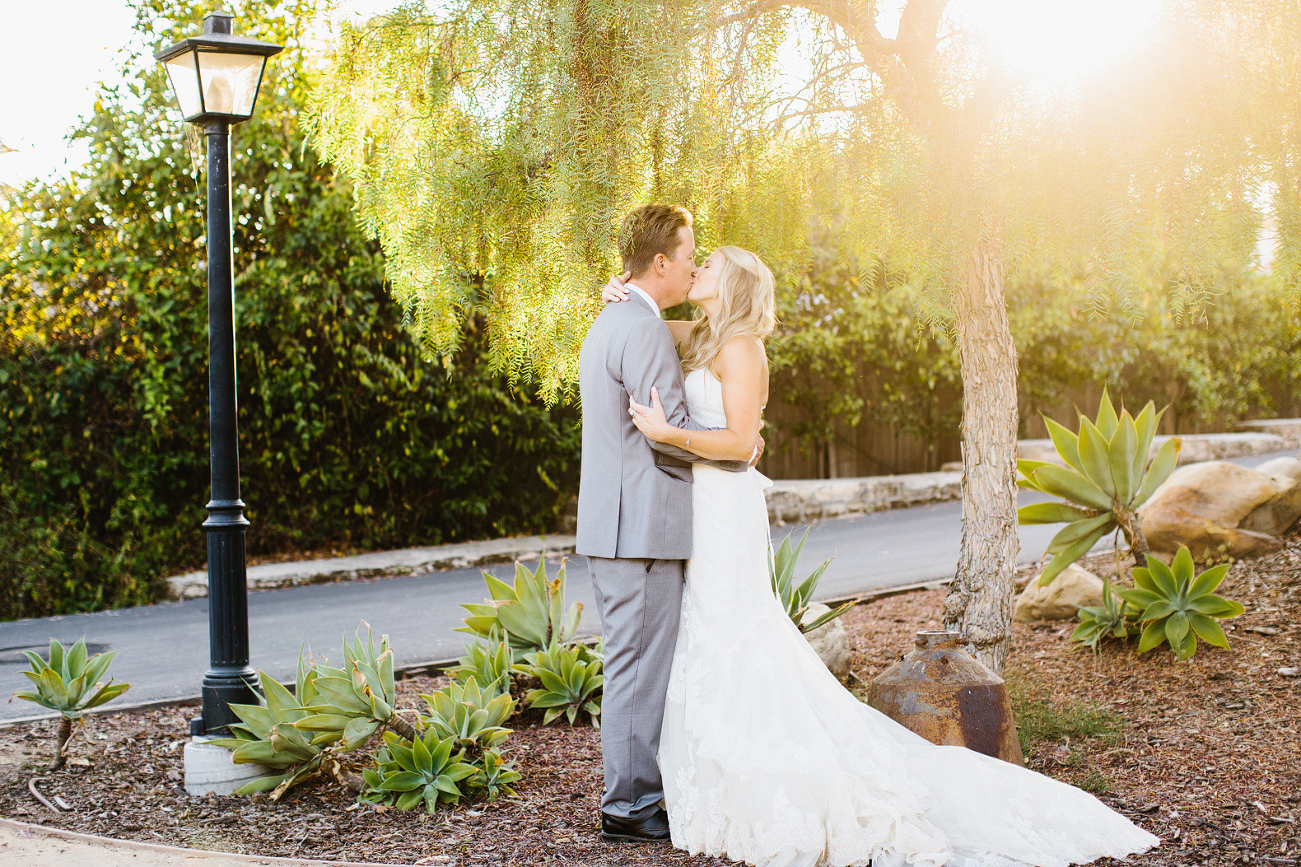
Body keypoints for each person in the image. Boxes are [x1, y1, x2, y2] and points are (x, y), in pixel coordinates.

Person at [602, 244, 1161, 867]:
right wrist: (617, 293)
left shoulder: (741, 347)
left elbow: (738, 442)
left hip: (725, 507)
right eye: (696, 260)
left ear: (733, 282)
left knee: (736, 632)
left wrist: (665, 433)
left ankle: (777, 780)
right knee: (706, 633)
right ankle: (706, 780)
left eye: (711, 263)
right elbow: (648, 319)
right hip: (700, 508)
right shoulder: (706, 336)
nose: (698, 266)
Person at [575, 204, 751, 844]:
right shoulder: (643, 328)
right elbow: (664, 434)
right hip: (641, 527)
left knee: (630, 661)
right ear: (660, 263)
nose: (692, 265)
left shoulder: (614, 316)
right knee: (637, 665)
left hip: (615, 524)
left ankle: (632, 795)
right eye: (688, 254)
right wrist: (738, 444)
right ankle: (629, 805)